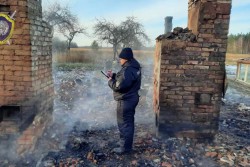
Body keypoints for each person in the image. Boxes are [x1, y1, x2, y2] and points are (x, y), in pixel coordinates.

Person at [107, 48, 141, 154]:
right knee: (128, 123)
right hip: (131, 98)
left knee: (124, 124)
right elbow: (126, 79)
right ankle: (125, 145)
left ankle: (125, 149)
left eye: (120, 58)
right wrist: (113, 76)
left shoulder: (128, 69)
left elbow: (119, 86)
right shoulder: (134, 67)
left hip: (126, 100)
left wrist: (110, 81)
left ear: (125, 59)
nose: (119, 60)